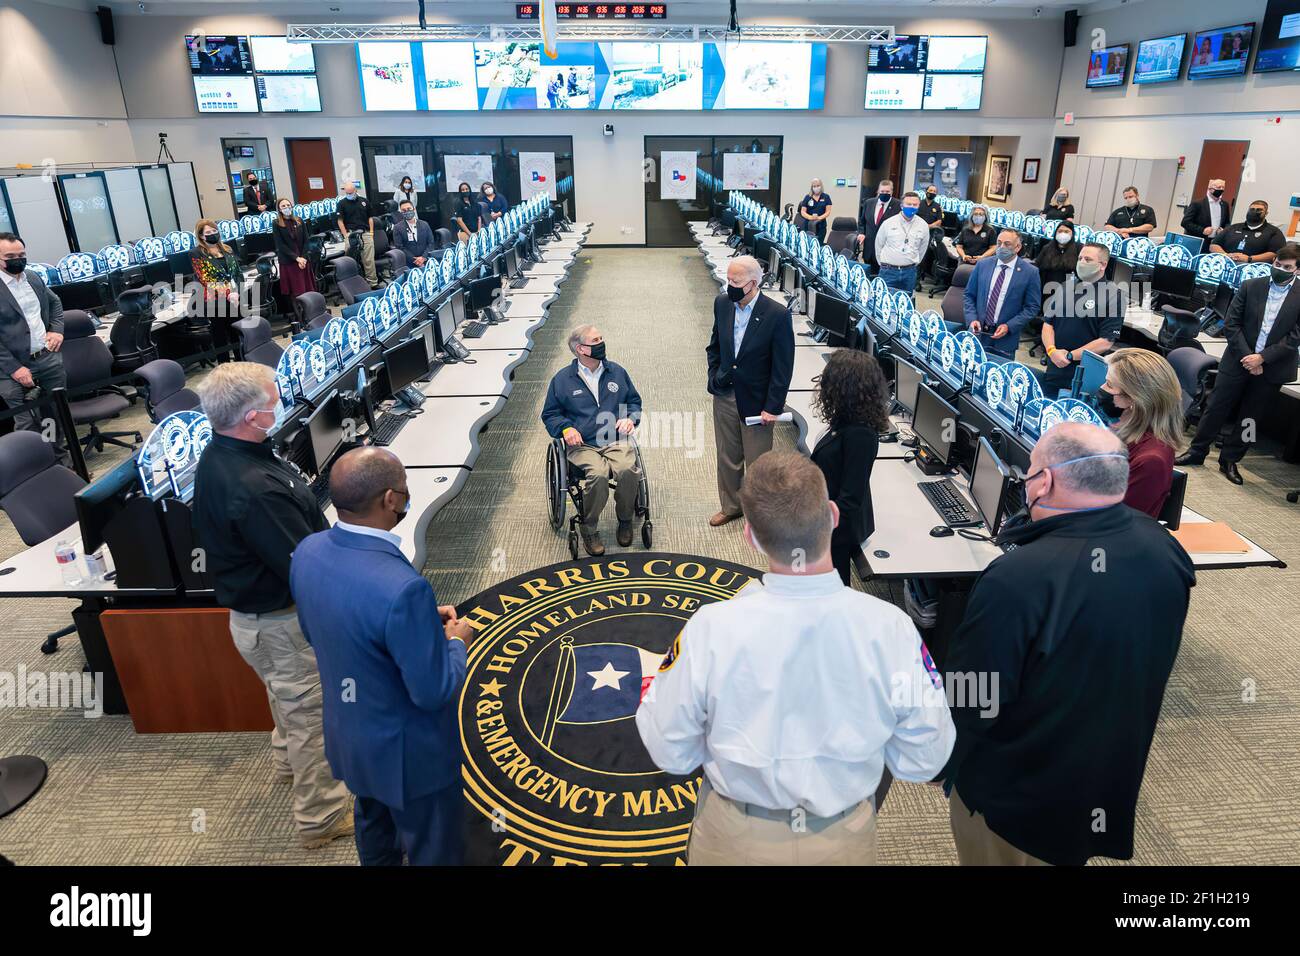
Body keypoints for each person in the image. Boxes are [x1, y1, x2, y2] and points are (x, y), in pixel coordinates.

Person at [637, 451, 955, 866]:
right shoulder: (890, 629)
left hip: (736, 840)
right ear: (835, 515)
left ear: (750, 535)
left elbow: (670, 751)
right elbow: (926, 756)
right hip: (843, 840)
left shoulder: (711, 629)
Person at [940, 422, 1194, 866]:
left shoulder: (1018, 578)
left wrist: (939, 761)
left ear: (1047, 481)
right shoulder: (1166, 549)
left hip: (1013, 802)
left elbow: (972, 697)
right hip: (1099, 779)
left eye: (1031, 471)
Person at [191, 362, 352, 849]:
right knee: (310, 716)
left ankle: (286, 766)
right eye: (272, 403)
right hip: (281, 625)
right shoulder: (254, 490)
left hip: (258, 623)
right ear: (248, 416)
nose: (280, 409)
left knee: (286, 699)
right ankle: (320, 818)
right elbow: (304, 568)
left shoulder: (228, 452)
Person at [290, 447, 472, 866]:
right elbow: (434, 689)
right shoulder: (402, 588)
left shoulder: (308, 552)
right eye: (405, 490)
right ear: (391, 500)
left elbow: (326, 631)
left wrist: (420, 622)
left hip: (351, 739)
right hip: (411, 760)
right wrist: (455, 642)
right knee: (435, 848)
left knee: (375, 829)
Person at [1176, 244, 1300, 484]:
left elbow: (1296, 336)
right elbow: (1232, 324)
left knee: (1251, 418)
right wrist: (1249, 357)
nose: (1279, 270)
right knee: (1216, 407)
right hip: (1238, 359)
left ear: (1296, 270)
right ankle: (1197, 450)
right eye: (1277, 265)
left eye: (1286, 267)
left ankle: (1231, 459)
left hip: (1272, 366)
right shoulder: (1251, 285)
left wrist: (1262, 358)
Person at [706, 256, 794, 527]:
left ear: (753, 284)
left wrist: (773, 406)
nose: (729, 285)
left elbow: (783, 366)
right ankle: (731, 506)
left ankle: (758, 514)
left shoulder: (777, 315)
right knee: (727, 456)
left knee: (758, 463)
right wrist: (714, 377)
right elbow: (715, 347)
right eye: (728, 279)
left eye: (736, 281)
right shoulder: (722, 303)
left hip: (757, 402)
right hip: (725, 394)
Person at [540, 325, 643, 555]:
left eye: (601, 339)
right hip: (582, 444)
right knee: (596, 474)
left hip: (614, 438)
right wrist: (565, 428)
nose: (601, 344)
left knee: (628, 469)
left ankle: (625, 519)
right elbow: (550, 414)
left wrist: (630, 419)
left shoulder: (616, 372)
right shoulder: (562, 380)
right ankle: (589, 528)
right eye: (595, 341)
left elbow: (634, 402)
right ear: (580, 349)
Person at [810, 350, 889, 586]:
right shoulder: (846, 419)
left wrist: (814, 530)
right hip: (824, 521)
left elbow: (849, 501)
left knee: (831, 591)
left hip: (833, 534)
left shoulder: (860, 435)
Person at [0, 232, 70, 464]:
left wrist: (56, 329)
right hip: (11, 370)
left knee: (54, 416)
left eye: (21, 255)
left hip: (46, 359)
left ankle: (59, 463)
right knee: (27, 423)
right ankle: (33, 470)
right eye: (10, 256)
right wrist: (14, 369)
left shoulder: (32, 277)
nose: (17, 260)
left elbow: (55, 303)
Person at [1098, 349, 1185, 517]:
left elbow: (1112, 522)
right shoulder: (1123, 428)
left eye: (1109, 385)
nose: (1101, 389)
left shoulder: (1151, 461)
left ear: (1134, 399)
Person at [1040, 241, 1125, 396]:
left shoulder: (1114, 295)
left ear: (1103, 265)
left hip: (1083, 372)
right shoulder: (1066, 286)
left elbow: (1106, 341)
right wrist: (1052, 351)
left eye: (1088, 260)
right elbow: (1048, 324)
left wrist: (1070, 355)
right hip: (1055, 365)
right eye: (1080, 259)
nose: (1082, 262)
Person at [961, 230, 1041, 359]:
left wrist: (1010, 326)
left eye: (1007, 244)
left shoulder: (1030, 272)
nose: (1002, 247)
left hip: (1005, 339)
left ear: (1018, 247)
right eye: (999, 243)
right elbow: (969, 295)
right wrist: (972, 319)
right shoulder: (983, 265)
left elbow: (1032, 307)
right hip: (979, 332)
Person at [190, 218, 243, 363]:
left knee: (237, 335)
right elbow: (205, 279)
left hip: (234, 299)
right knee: (221, 339)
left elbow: (238, 273)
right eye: (208, 232)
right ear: (201, 236)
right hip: (215, 301)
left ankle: (242, 366)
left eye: (214, 231)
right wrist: (228, 293)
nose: (213, 233)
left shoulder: (227, 249)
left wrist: (236, 292)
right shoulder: (196, 253)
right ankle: (225, 373)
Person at [873, 191, 929, 296]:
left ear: (918, 206)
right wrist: (884, 264)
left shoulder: (923, 225)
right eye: (908, 204)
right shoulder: (888, 223)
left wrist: (913, 262)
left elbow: (922, 249)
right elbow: (878, 245)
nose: (911, 207)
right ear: (901, 205)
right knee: (884, 301)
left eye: (915, 205)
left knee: (905, 303)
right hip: (888, 271)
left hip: (910, 272)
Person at [1209, 199, 1286, 265]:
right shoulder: (1233, 227)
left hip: (1253, 270)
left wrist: (1249, 258)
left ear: (1266, 213)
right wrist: (1226, 256)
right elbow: (1214, 245)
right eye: (1252, 209)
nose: (1254, 212)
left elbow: (1275, 253)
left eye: (1259, 210)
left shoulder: (1274, 232)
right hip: (1226, 264)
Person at [272, 198, 317, 300]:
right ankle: (301, 314)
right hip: (290, 262)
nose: (286, 207)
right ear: (279, 209)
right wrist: (297, 258)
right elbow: (280, 245)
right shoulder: (276, 223)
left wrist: (303, 258)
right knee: (297, 292)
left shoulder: (299, 220)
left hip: (303, 261)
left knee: (309, 289)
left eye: (288, 205)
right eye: (283, 206)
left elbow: (306, 240)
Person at [337, 182, 378, 287]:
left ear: (356, 191)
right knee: (349, 260)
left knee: (369, 260)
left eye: (351, 192)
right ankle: (351, 285)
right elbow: (340, 221)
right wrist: (345, 235)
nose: (349, 194)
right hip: (351, 234)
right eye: (347, 193)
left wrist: (372, 232)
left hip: (365, 233)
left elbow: (370, 217)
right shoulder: (341, 203)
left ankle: (372, 283)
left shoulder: (364, 201)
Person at [855, 180, 901, 271]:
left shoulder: (898, 205)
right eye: (882, 191)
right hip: (869, 248)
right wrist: (861, 233)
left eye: (887, 192)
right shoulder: (869, 203)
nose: (884, 193)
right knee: (870, 275)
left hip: (887, 249)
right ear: (878, 191)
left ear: (892, 192)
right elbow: (862, 222)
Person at [1033, 220, 1080, 298]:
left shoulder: (1078, 249)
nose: (1063, 234)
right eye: (1060, 231)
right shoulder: (1047, 248)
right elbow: (1038, 267)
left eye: (1066, 231)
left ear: (1072, 234)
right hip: (1046, 290)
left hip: (1067, 293)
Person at [1181, 177, 1230, 243]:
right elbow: (1185, 222)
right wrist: (1202, 230)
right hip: (1197, 240)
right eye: (1219, 187)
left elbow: (1227, 222)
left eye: (1223, 187)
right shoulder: (1197, 204)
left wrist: (1223, 230)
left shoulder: (1224, 205)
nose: (1221, 189)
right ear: (1210, 189)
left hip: (1214, 241)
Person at [391, 200, 436, 268]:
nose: (407, 211)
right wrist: (415, 260)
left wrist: (423, 258)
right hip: (409, 263)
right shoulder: (397, 228)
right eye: (404, 210)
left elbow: (431, 243)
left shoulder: (425, 224)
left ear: (414, 209)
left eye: (409, 209)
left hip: (426, 261)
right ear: (401, 212)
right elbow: (400, 247)